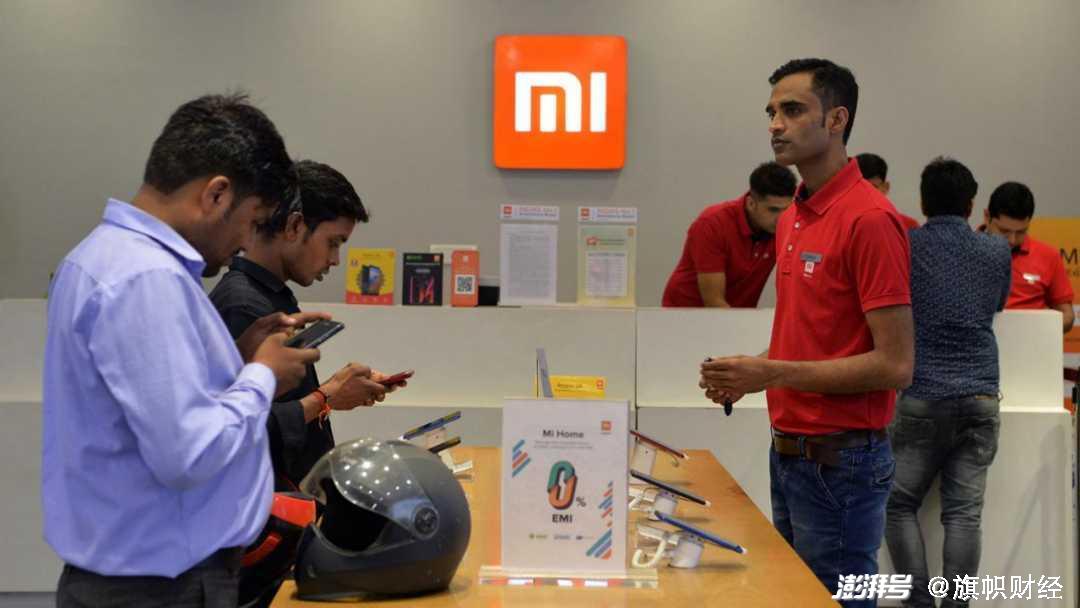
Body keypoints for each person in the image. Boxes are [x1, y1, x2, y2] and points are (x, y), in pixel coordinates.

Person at [43, 93, 326, 607]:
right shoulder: (146, 278)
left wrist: (238, 358)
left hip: (140, 577)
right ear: (217, 194)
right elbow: (189, 454)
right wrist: (263, 376)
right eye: (252, 219)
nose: (246, 242)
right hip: (162, 587)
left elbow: (142, 410)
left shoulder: (100, 258)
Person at [700, 58, 914, 607]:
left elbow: (895, 365)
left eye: (793, 110)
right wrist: (751, 372)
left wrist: (770, 372)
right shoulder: (794, 216)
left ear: (837, 119)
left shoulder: (870, 219)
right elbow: (812, 336)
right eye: (772, 112)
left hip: (842, 462)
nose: (775, 124)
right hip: (790, 454)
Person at [210, 160, 395, 494]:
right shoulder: (244, 306)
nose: (335, 260)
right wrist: (326, 396)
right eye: (333, 242)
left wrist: (334, 393)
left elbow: (271, 404)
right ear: (295, 226)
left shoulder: (270, 297)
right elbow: (244, 432)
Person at [885, 157, 1011, 608]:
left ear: (922, 202)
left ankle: (918, 601)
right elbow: (997, 304)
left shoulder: (906, 246)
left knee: (897, 504)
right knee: (964, 515)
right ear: (972, 204)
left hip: (922, 393)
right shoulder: (997, 250)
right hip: (980, 394)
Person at [661, 162, 796, 307]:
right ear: (751, 204)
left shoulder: (786, 226)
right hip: (682, 313)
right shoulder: (712, 224)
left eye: (786, 210)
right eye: (773, 210)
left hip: (733, 314)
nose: (781, 218)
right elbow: (714, 302)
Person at [983, 181, 1074, 333]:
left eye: (1021, 232)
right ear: (987, 217)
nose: (1012, 240)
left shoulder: (1049, 256)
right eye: (1004, 231)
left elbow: (1067, 315)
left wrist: (1036, 330)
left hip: (1033, 344)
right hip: (978, 344)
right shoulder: (964, 251)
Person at [856, 152, 920, 230]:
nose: (865, 195)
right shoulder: (843, 225)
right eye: (858, 189)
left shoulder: (909, 226)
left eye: (872, 188)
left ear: (885, 187)